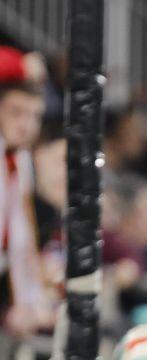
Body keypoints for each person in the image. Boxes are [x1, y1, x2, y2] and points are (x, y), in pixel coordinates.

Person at [0, 77, 53, 337]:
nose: (26, 125)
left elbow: (23, 235)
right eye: (16, 112)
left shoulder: (20, 161)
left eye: (35, 116)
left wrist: (29, 301)